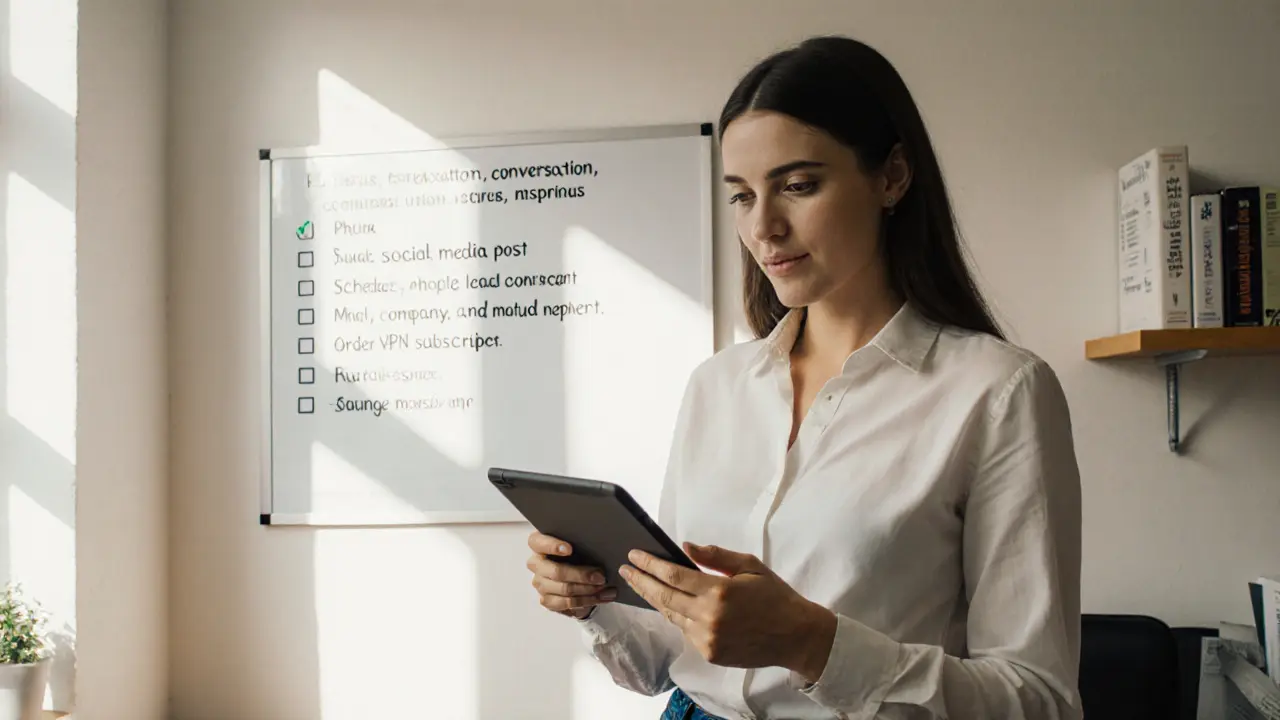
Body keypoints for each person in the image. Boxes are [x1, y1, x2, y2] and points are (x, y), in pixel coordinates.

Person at [525, 34, 1082, 720]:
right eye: (741, 196)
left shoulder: (998, 393)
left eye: (797, 186)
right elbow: (660, 661)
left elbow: (1041, 701)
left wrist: (813, 643)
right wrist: (593, 602)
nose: (764, 227)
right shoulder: (717, 387)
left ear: (892, 177)